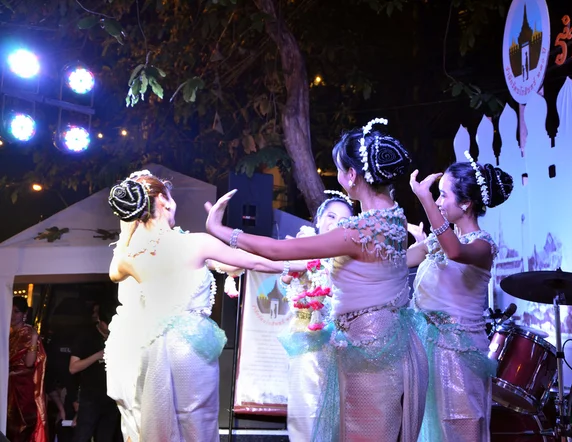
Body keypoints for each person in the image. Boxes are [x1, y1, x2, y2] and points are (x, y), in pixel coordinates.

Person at [205, 118, 429, 442]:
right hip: (383, 343)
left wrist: (223, 230)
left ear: (352, 176)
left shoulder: (359, 232)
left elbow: (277, 249)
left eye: (339, 169)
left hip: (370, 350)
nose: (338, 175)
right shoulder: (393, 218)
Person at [106, 170, 305, 442]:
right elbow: (254, 262)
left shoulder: (131, 255)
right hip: (190, 346)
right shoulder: (196, 243)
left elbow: (114, 273)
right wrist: (302, 263)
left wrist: (128, 228)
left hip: (152, 345)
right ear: (164, 201)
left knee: (157, 424)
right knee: (197, 421)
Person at [407, 151, 513, 441]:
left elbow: (455, 251)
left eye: (443, 196)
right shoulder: (436, 241)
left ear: (466, 203)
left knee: (461, 426)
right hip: (430, 347)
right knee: (431, 430)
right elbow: (401, 261)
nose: (439, 202)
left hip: (460, 352)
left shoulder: (483, 244)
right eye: (437, 197)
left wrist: (425, 199)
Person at [278, 191, 353, 441]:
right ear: (318, 220)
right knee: (307, 412)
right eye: (331, 216)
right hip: (309, 344)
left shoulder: (351, 260)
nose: (335, 223)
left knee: (339, 417)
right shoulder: (302, 248)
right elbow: (285, 277)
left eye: (343, 220)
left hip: (343, 347)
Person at [69, 303, 122, 442]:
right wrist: (98, 355)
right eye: (107, 325)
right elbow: (73, 368)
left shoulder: (119, 336)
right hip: (90, 398)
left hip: (113, 399)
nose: (109, 329)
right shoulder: (86, 336)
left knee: (106, 437)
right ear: (99, 319)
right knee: (82, 436)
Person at [7, 296, 48, 442]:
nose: (12, 315)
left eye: (16, 312)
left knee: (20, 428)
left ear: (24, 314)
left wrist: (34, 339)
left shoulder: (29, 333)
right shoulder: (4, 331)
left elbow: (30, 363)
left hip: (22, 387)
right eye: (10, 311)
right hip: (5, 386)